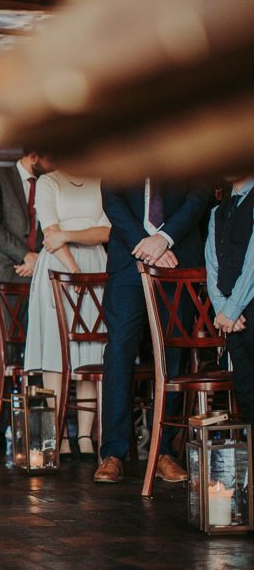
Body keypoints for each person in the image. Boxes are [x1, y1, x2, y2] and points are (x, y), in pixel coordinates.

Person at [94, 178, 209, 484]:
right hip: (128, 259)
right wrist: (146, 244)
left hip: (177, 255)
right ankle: (113, 453)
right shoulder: (120, 139)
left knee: (171, 354)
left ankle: (164, 451)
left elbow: (200, 192)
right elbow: (111, 198)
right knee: (118, 350)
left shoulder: (189, 137)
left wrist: (165, 238)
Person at [23, 171, 110, 459]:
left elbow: (107, 231)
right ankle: (57, 434)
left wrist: (68, 234)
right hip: (60, 266)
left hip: (96, 263)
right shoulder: (49, 182)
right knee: (56, 352)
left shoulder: (100, 181)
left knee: (91, 349)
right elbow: (50, 234)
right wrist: (75, 273)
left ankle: (85, 435)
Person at [0, 149, 55, 443]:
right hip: (4, 275)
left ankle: (34, 431)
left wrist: (39, 259)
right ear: (35, 155)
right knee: (3, 352)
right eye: (50, 158)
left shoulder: (48, 183)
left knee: (38, 349)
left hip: (37, 274)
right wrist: (26, 255)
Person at [205, 174, 254, 426]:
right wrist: (223, 308)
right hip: (232, 318)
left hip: (246, 309)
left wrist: (232, 308)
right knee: (246, 390)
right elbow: (211, 264)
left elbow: (252, 262)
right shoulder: (217, 212)